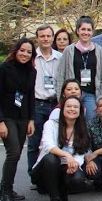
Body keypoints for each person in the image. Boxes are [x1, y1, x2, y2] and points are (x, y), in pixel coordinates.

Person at [0, 38, 37, 201]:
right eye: (22, 50)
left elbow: (31, 96)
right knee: (14, 152)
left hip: (23, 117)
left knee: (16, 155)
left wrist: (31, 119)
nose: (25, 54)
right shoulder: (2, 69)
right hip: (7, 117)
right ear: (15, 50)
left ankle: (6, 189)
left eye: (29, 52)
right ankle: (5, 192)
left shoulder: (32, 71)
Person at [31, 96, 90, 201]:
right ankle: (55, 200)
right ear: (62, 109)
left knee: (78, 179)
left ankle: (62, 191)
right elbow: (48, 146)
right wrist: (67, 156)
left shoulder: (82, 129)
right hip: (44, 170)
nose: (72, 109)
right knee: (52, 159)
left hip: (64, 168)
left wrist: (75, 164)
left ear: (80, 111)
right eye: (68, 106)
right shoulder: (51, 124)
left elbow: (81, 153)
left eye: (75, 107)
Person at [56, 16, 102, 121]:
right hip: (72, 93)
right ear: (77, 31)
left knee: (91, 123)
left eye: (89, 30)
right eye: (83, 29)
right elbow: (61, 74)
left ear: (93, 32)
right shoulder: (69, 50)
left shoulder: (100, 51)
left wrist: (101, 99)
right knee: (72, 123)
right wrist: (60, 98)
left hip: (91, 95)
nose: (86, 32)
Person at [30, 26, 61, 173]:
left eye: (48, 36)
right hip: (37, 104)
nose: (45, 39)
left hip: (56, 104)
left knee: (55, 140)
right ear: (37, 38)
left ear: (52, 37)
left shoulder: (60, 57)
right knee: (35, 141)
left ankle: (51, 173)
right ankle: (34, 174)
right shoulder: (31, 57)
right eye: (42, 36)